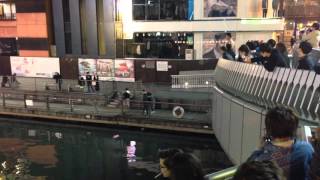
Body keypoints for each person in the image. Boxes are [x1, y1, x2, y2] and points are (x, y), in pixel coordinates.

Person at [247, 106, 314, 180]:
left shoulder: (259, 158)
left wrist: (260, 148)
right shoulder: (306, 149)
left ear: (268, 130)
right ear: (294, 128)